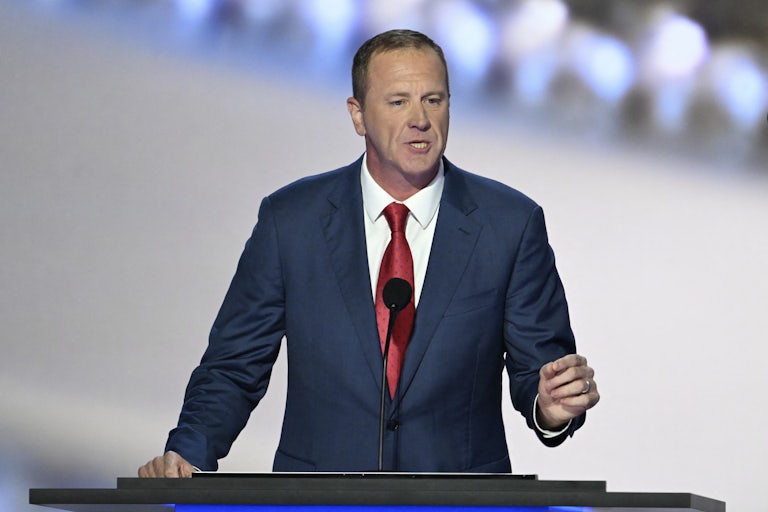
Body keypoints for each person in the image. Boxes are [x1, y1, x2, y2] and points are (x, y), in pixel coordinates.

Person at [138, 29, 599, 478]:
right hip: (320, 500)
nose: (420, 119)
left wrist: (550, 405)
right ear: (357, 115)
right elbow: (234, 366)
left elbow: (540, 372)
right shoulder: (292, 221)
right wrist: (187, 453)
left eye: (434, 100)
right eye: (398, 101)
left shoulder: (510, 224)